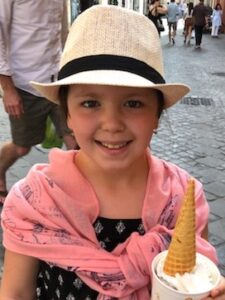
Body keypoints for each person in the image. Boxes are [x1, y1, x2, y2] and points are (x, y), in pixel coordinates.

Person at [1, 5, 225, 300]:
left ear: (157, 115)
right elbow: (16, 291)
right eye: (90, 103)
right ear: (67, 114)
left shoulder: (182, 199)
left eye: (133, 104)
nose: (112, 124)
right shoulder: (34, 200)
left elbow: (192, 282)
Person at [0, 0, 78, 205]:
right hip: (25, 83)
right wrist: (8, 89)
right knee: (21, 147)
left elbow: (62, 32)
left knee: (76, 139)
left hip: (58, 81)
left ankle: (82, 193)